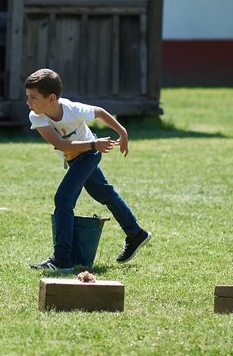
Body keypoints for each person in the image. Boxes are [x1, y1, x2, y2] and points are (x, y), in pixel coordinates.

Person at [24, 67, 151, 270]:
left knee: (63, 199)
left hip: (89, 155)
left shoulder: (71, 109)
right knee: (105, 194)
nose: (28, 102)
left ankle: (62, 259)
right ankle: (136, 234)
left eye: (33, 97)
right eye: (28, 97)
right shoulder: (37, 116)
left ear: (51, 98)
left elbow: (99, 112)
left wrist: (123, 132)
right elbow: (62, 145)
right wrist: (94, 144)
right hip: (82, 153)